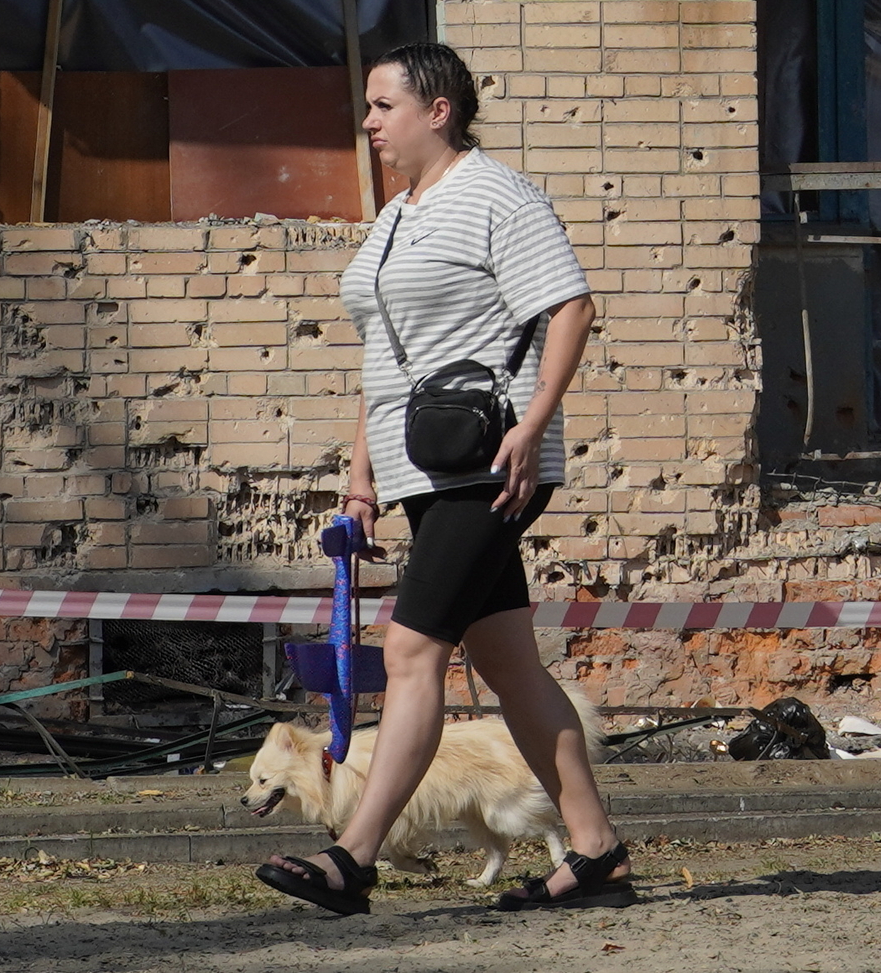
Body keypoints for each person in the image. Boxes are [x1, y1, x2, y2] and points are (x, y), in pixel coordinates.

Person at [257, 45, 630, 917]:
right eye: (368, 107)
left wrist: (533, 427)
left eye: (383, 104)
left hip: (490, 463)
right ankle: (598, 848)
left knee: (413, 648)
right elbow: (384, 359)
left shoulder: (498, 193)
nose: (369, 121)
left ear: (439, 109)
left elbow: (569, 305)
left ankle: (354, 856)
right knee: (511, 668)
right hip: (419, 463)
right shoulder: (395, 217)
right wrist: (361, 477)